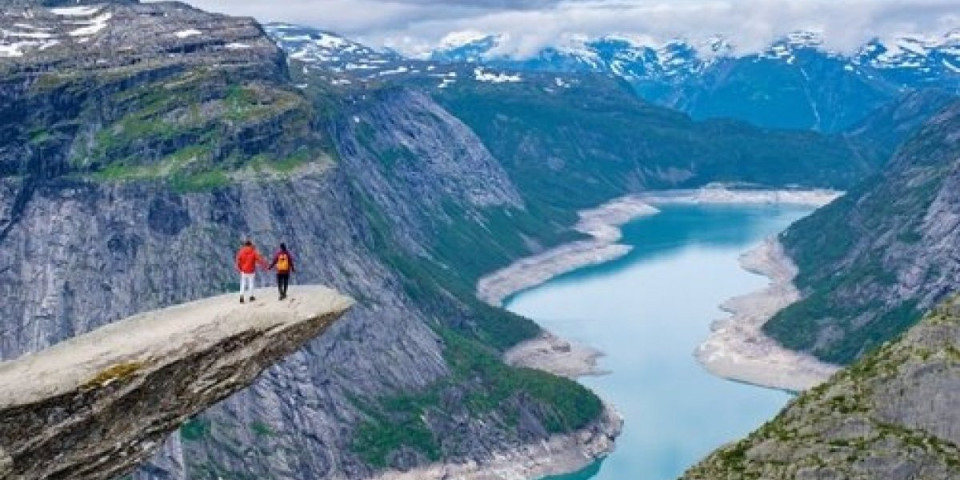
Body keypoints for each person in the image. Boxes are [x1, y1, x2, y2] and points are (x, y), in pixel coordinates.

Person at [236, 239, 268, 303]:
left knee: (243, 284)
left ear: (245, 245)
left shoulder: (241, 252)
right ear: (250, 245)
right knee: (251, 283)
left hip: (243, 270)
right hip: (251, 271)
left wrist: (239, 268)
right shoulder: (253, 252)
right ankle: (251, 297)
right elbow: (260, 260)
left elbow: (238, 261)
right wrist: (265, 266)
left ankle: (241, 297)